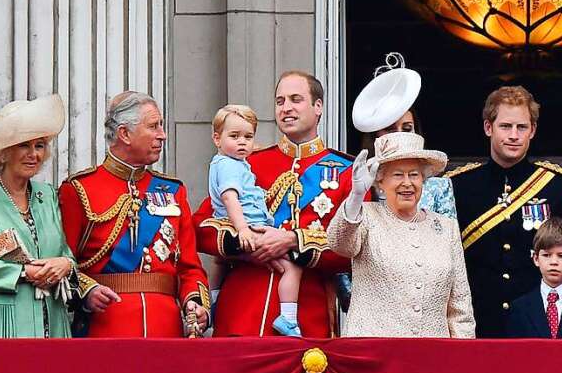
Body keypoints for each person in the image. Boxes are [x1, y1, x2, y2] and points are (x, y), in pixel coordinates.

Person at [193, 70, 356, 337]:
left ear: (318, 107)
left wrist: (294, 240)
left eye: (296, 99)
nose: (286, 108)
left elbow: (352, 251)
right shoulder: (248, 163)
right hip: (241, 315)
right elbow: (200, 226)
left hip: (306, 319)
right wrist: (244, 245)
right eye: (280, 101)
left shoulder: (346, 172)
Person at [58, 91, 210, 337]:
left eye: (161, 125)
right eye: (153, 126)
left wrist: (195, 303)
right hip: (104, 328)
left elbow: (189, 266)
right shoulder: (79, 189)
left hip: (165, 328)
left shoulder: (173, 190)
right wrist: (86, 292)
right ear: (124, 134)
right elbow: (63, 261)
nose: (162, 135)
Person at [447, 85, 562, 338]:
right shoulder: (458, 186)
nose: (514, 135)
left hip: (539, 326)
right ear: (488, 128)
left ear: (532, 131)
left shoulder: (559, 187)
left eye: (521, 127)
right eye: (505, 126)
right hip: (475, 323)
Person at [326, 132, 474, 338]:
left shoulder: (446, 227)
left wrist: (463, 358)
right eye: (397, 175)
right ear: (380, 181)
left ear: (423, 179)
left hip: (432, 357)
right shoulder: (365, 216)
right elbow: (339, 243)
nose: (407, 183)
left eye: (414, 174)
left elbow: (460, 308)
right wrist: (356, 196)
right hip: (374, 355)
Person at [0, 95, 76, 337]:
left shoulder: (47, 195)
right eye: (23, 145)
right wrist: (23, 273)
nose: (34, 154)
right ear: (3, 152)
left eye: (39, 145)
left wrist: (65, 264)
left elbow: (65, 253)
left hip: (52, 319)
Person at [206, 104, 303, 336]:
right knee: (292, 267)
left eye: (248, 137)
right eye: (279, 101)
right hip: (250, 229)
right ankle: (288, 318)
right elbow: (227, 200)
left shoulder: (234, 161)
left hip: (239, 228)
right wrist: (242, 230)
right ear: (217, 138)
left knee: (220, 263)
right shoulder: (233, 164)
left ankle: (213, 300)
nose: (242, 143)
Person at [351, 53, 456, 219]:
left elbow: (449, 241)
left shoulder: (438, 187)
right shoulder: (361, 183)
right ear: (375, 136)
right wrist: (357, 195)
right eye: (390, 129)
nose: (400, 134)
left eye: (407, 128)